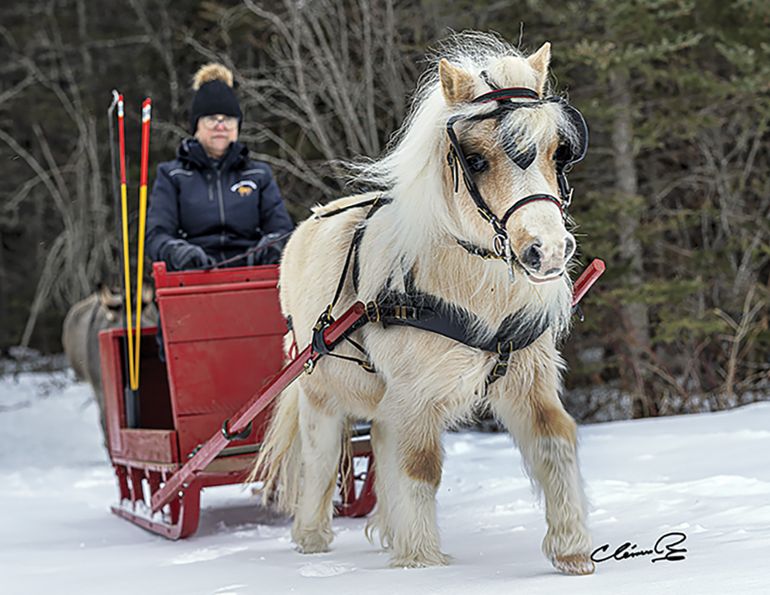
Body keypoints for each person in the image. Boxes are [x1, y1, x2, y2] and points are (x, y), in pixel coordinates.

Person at [146, 63, 293, 271]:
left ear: (237, 126)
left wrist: (272, 247)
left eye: (228, 119)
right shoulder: (172, 175)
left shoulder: (258, 175)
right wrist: (178, 253)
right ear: (196, 125)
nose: (220, 126)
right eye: (212, 119)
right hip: (194, 276)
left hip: (252, 275)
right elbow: (157, 236)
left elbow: (283, 231)